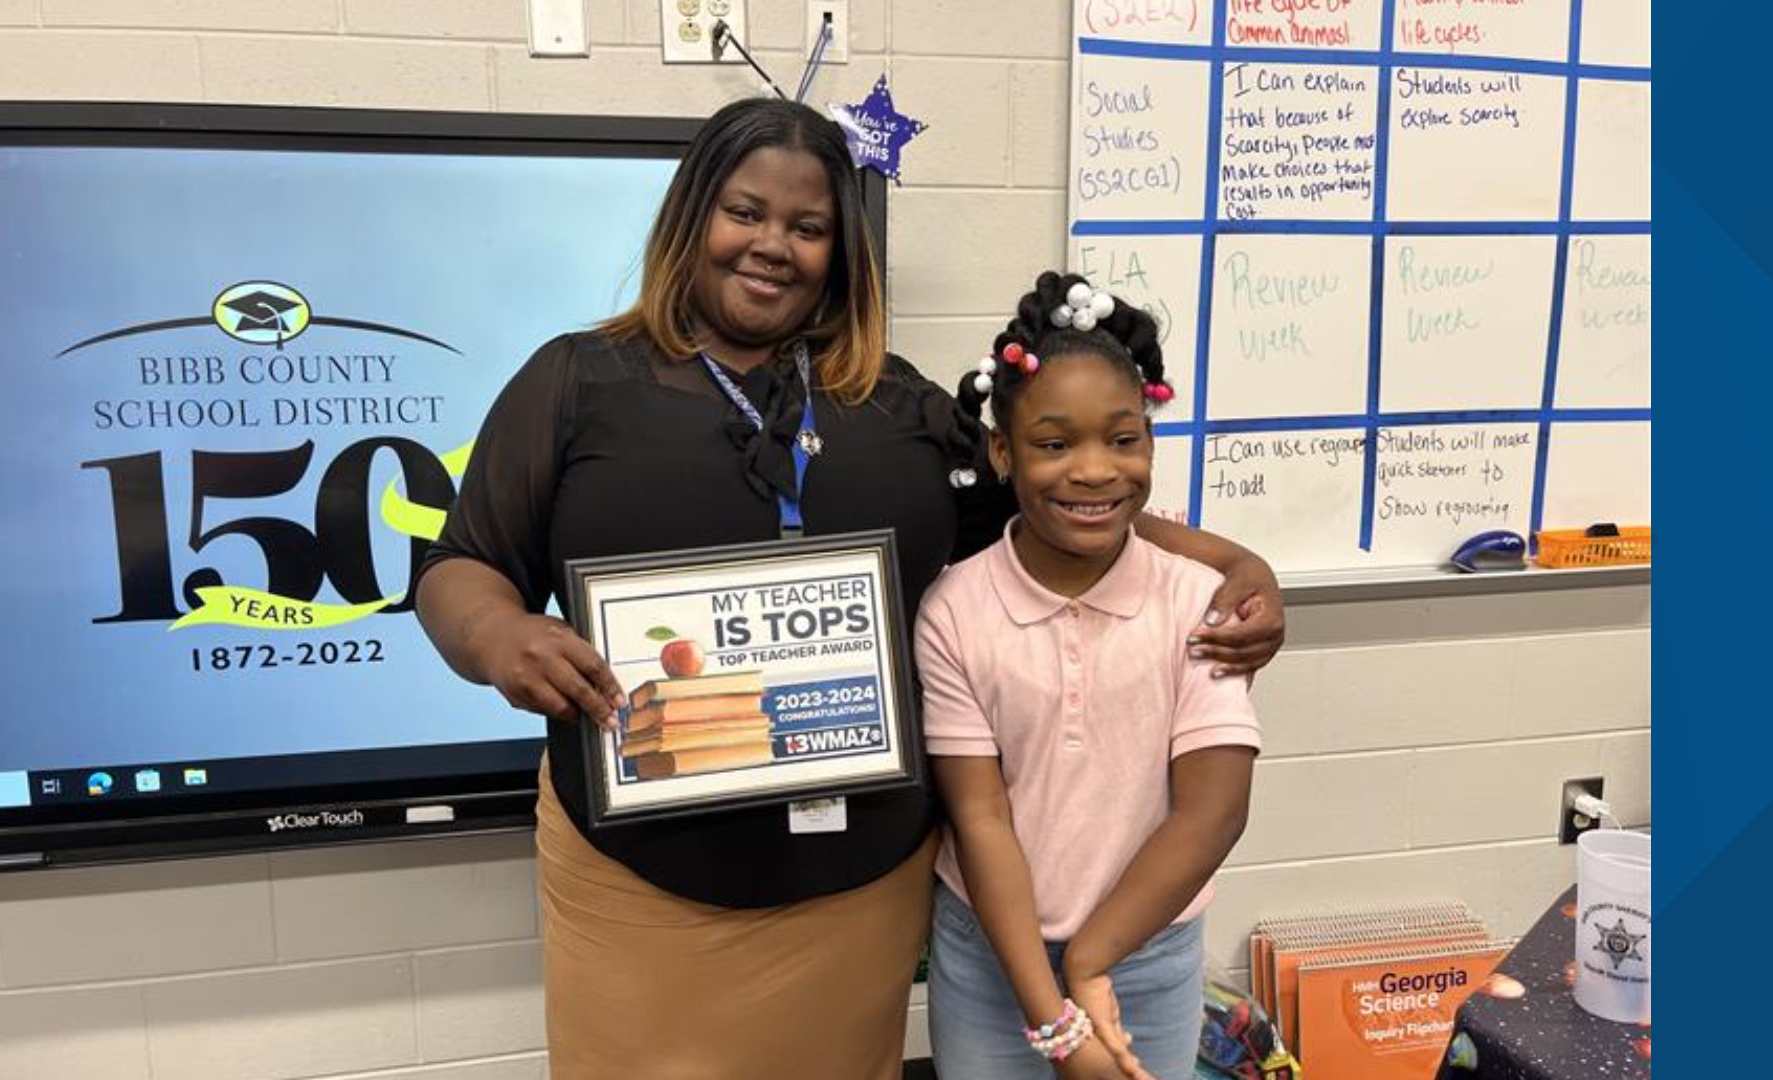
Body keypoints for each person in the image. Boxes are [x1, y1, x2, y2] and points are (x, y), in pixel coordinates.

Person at [413, 100, 1279, 1080]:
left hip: (854, 890)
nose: (773, 245)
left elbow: (1063, 499)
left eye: (808, 227)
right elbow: (458, 566)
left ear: (842, 252)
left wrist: (1236, 567)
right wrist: (497, 636)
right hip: (638, 885)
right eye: (745, 212)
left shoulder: (899, 405)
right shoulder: (575, 383)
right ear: (691, 216)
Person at [917, 271, 1262, 1080]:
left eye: (1123, 438)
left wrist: (1093, 962)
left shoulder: (1195, 601)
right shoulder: (956, 610)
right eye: (1053, 443)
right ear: (1002, 451)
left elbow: (1212, 812)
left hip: (1147, 951)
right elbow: (982, 820)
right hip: (992, 955)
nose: (1095, 470)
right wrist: (1054, 1020)